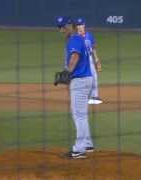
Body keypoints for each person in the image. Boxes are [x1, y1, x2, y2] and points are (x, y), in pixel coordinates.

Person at [55, 16, 94, 159]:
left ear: (71, 25)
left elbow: (75, 57)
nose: (62, 30)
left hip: (80, 81)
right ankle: (88, 144)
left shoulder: (75, 39)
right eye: (60, 27)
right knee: (81, 114)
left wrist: (67, 73)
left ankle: (79, 150)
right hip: (84, 80)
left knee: (79, 115)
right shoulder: (76, 39)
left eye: (64, 26)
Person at [75, 17, 103, 105]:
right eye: (78, 25)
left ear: (84, 25)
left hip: (89, 58)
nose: (80, 26)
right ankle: (82, 96)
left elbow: (93, 48)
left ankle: (94, 96)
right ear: (76, 27)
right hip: (81, 60)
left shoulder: (89, 35)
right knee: (82, 77)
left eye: (81, 24)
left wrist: (97, 59)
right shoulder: (75, 37)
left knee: (94, 77)